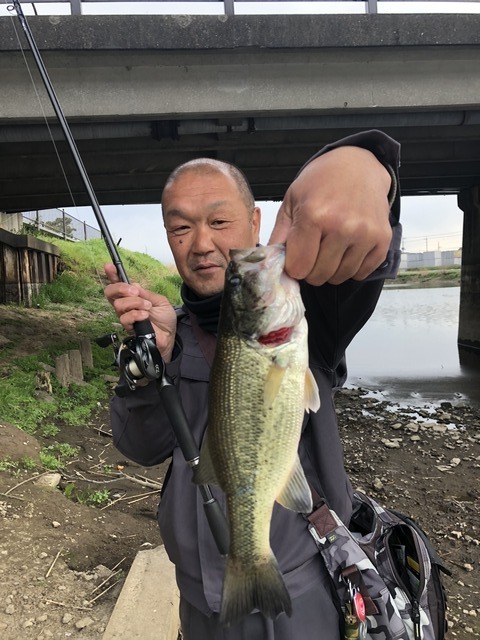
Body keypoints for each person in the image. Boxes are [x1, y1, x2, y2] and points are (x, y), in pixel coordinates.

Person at [104, 129, 401, 640]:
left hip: (303, 589)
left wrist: (368, 163)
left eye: (220, 222)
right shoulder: (166, 333)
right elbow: (140, 447)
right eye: (180, 228)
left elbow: (365, 258)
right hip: (198, 598)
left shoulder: (313, 319)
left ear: (256, 221)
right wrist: (151, 367)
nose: (201, 244)